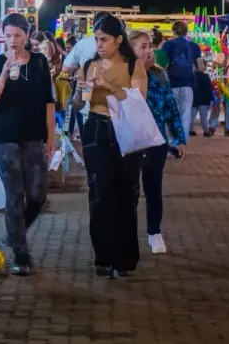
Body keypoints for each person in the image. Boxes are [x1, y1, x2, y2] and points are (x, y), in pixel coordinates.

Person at [0, 13, 55, 276]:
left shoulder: (39, 63)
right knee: (15, 192)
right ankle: (21, 253)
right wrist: (3, 75)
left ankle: (14, 233)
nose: (12, 41)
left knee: (37, 194)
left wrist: (52, 136)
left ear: (27, 36)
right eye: (8, 35)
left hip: (33, 135)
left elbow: (48, 102)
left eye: (18, 35)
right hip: (3, 136)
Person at [75, 14, 148, 279]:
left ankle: (125, 258)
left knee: (126, 193)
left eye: (104, 39)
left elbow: (138, 101)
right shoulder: (88, 64)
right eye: (96, 39)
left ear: (118, 40)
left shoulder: (133, 66)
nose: (99, 45)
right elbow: (78, 104)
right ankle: (103, 256)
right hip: (96, 127)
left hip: (124, 129)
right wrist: (78, 92)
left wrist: (108, 86)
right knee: (100, 192)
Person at [129, 31, 185, 255]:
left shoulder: (160, 74)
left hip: (156, 139)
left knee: (153, 188)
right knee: (130, 190)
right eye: (142, 46)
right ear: (131, 50)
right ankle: (127, 234)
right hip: (132, 140)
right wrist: (140, 70)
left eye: (149, 46)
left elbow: (170, 106)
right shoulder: (124, 73)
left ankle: (154, 232)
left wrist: (178, 137)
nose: (148, 51)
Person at [161, 20, 204, 138]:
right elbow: (201, 68)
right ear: (186, 31)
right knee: (185, 115)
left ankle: (172, 142)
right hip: (187, 84)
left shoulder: (168, 45)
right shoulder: (194, 46)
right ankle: (183, 143)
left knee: (171, 114)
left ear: (173, 31)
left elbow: (162, 66)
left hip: (172, 83)